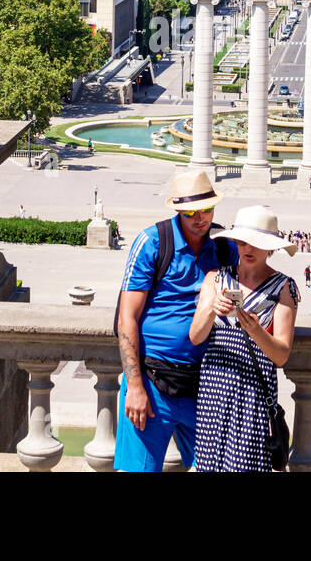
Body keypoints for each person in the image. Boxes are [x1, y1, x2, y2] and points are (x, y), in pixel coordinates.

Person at [114, 170, 234, 472]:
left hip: (205, 385)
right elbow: (126, 318)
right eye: (191, 211)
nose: (200, 217)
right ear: (178, 210)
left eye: (206, 209)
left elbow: (254, 276)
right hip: (152, 384)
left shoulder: (224, 247)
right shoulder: (152, 242)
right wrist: (135, 388)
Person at [190, 205, 298, 473]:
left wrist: (255, 330)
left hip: (252, 392)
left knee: (246, 465)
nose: (247, 249)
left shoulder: (284, 287)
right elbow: (195, 336)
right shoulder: (215, 278)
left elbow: (281, 355)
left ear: (271, 247)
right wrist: (212, 308)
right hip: (214, 389)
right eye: (241, 242)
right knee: (209, 465)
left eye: (256, 244)